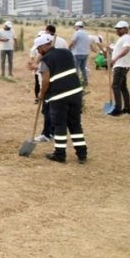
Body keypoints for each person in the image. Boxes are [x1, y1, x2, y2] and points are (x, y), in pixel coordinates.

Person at [35, 34, 86, 163]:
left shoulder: (46, 60)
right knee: (75, 124)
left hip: (59, 96)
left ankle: (60, 154)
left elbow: (45, 80)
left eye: (38, 49)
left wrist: (41, 95)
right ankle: (82, 154)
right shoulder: (67, 53)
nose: (38, 51)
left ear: (42, 47)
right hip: (76, 92)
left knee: (59, 124)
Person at [108, 20, 130, 116]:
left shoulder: (127, 37)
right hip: (121, 65)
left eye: (120, 29)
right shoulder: (123, 38)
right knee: (123, 87)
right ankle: (127, 108)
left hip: (121, 65)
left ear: (126, 29)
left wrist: (115, 59)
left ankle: (118, 109)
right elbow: (117, 49)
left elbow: (126, 49)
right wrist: (110, 49)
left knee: (115, 86)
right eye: (117, 29)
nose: (117, 30)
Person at [69, 21, 90, 86]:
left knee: (76, 68)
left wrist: (69, 48)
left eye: (75, 27)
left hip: (77, 53)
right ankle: (85, 81)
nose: (75, 28)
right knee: (83, 68)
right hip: (85, 53)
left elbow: (72, 42)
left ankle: (76, 83)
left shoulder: (77, 33)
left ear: (77, 26)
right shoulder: (86, 33)